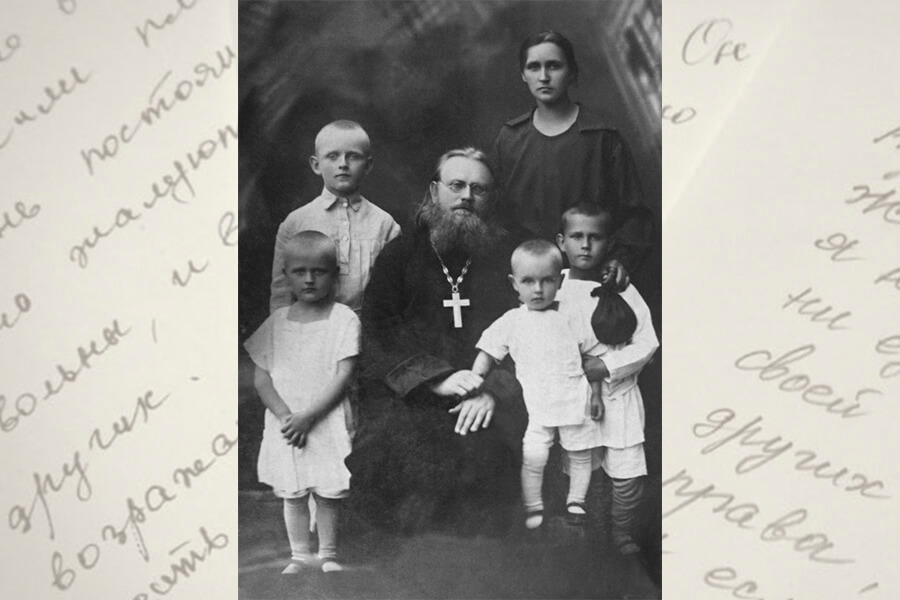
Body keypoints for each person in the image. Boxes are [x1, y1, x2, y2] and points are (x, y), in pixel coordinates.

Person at [345, 147, 528, 535]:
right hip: (413, 397)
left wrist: (493, 391)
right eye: (456, 185)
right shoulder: (400, 256)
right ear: (434, 191)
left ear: (490, 198)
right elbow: (378, 330)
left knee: (493, 461)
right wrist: (435, 379)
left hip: (485, 397)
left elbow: (533, 331)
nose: (466, 196)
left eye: (478, 189)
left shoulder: (510, 260)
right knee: (392, 457)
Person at [492, 30, 654, 285]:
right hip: (531, 283)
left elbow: (635, 216)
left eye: (554, 66)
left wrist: (620, 259)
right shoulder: (510, 139)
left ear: (571, 72)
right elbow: (497, 217)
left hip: (593, 278)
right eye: (534, 67)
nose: (544, 77)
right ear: (523, 74)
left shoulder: (602, 137)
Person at [244, 231, 360, 573]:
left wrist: (309, 416)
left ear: (334, 275)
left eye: (319, 271)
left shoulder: (343, 319)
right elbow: (262, 378)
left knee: (327, 491)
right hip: (286, 422)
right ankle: (299, 554)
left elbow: (343, 375)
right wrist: (285, 416)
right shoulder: (276, 323)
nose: (309, 279)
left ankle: (327, 553)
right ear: (286, 275)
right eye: (300, 271)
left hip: (325, 417)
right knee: (292, 492)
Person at [471, 239, 603, 530]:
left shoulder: (572, 317)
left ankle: (576, 501)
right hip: (537, 406)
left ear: (560, 281)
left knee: (580, 453)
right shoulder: (512, 321)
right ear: (514, 283)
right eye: (528, 281)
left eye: (547, 281)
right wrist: (474, 381)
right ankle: (534, 506)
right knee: (534, 456)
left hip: (573, 401)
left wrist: (596, 395)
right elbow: (488, 352)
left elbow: (592, 358)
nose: (538, 289)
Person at [555, 203, 659, 555]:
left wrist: (607, 365)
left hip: (619, 397)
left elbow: (647, 342)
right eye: (577, 237)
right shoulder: (553, 288)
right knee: (582, 470)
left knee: (627, 472)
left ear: (609, 243)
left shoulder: (621, 287)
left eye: (595, 238)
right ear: (561, 242)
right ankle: (593, 534)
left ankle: (621, 532)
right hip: (576, 399)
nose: (585, 245)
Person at [270, 119, 401, 313]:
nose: (343, 164)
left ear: (368, 165)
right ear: (316, 165)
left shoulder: (385, 224)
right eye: (332, 156)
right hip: (308, 326)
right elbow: (281, 294)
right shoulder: (295, 223)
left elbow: (394, 292)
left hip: (367, 326)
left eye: (353, 157)